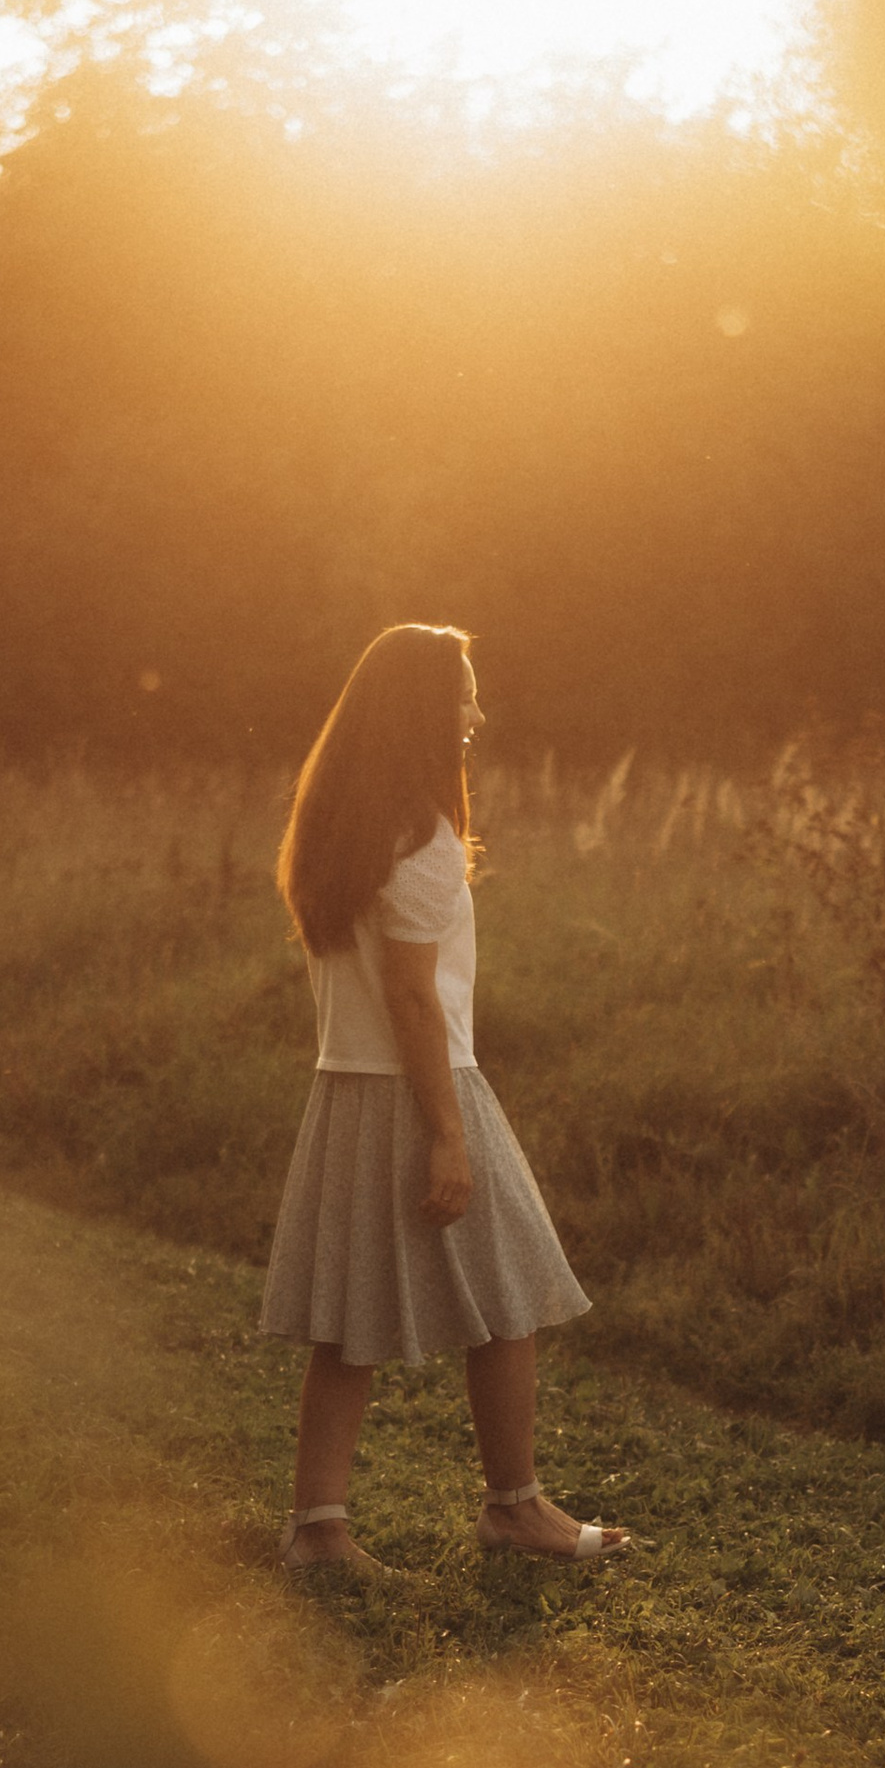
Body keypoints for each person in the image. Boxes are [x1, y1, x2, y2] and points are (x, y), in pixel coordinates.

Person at [259, 621, 632, 1572]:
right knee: (510, 1296)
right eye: (463, 692)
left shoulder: (339, 830)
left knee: (350, 1322)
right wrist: (448, 1136)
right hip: (423, 1090)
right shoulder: (420, 837)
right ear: (424, 708)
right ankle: (513, 1509)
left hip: (344, 1092)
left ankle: (318, 1529)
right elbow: (414, 1000)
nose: (477, 711)